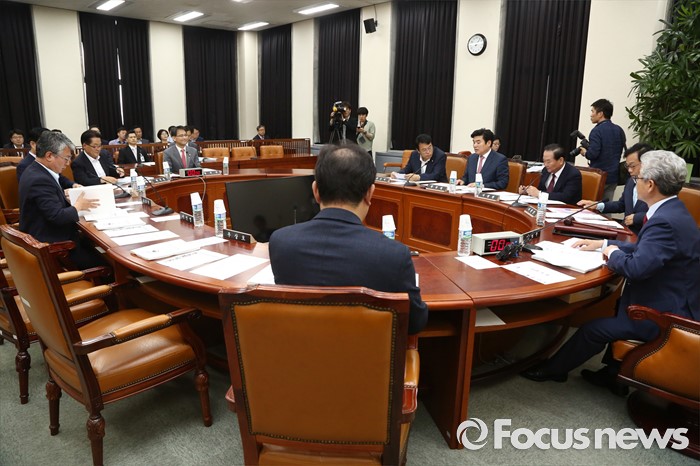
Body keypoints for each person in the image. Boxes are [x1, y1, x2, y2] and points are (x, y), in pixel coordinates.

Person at [522, 150, 700, 393]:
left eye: (637, 178)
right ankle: (612, 374)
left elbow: (636, 268)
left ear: (650, 184)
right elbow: (649, 250)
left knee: (593, 329)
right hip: (672, 299)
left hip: (664, 314)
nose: (634, 182)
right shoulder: (674, 210)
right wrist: (603, 244)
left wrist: (612, 253)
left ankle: (554, 370)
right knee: (616, 309)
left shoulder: (664, 221)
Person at [269, 144, 429, 334]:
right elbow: (415, 322)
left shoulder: (280, 242)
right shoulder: (394, 254)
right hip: (367, 352)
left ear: (316, 190)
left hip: (299, 349)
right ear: (370, 193)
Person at [18, 131, 104, 270]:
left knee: (97, 246)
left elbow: (49, 203)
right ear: (49, 156)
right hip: (54, 245)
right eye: (66, 158)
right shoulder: (39, 179)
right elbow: (57, 216)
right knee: (108, 261)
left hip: (55, 235)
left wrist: (64, 197)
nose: (68, 163)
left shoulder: (36, 170)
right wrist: (78, 206)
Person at [577, 143, 652, 234]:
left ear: (646, 163)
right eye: (627, 166)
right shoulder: (631, 181)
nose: (629, 170)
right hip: (626, 232)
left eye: (633, 166)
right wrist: (597, 205)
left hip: (647, 234)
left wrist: (638, 218)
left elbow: (662, 212)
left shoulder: (658, 185)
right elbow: (621, 205)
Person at [580, 99, 626, 202]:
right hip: (613, 176)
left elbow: (593, 154)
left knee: (591, 206)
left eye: (593, 111)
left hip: (598, 176)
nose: (591, 115)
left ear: (600, 114)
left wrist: (585, 153)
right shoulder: (619, 130)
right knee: (606, 207)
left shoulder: (596, 131)